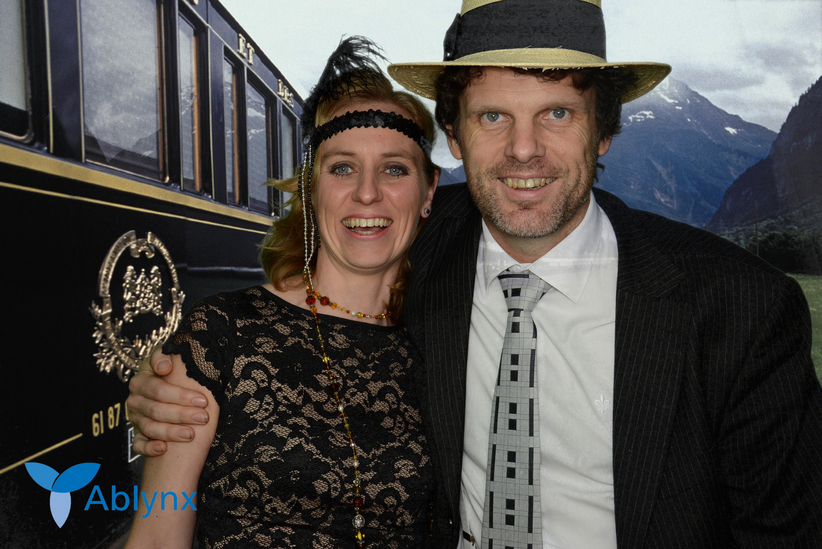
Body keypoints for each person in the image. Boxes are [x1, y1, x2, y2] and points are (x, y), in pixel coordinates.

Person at [128, 1, 822, 548]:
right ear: (456, 139)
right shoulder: (418, 248)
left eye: (557, 113)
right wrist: (174, 383)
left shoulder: (740, 309)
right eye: (493, 116)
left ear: (604, 131)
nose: (523, 150)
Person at [123, 37, 438, 549]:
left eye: (394, 169)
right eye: (342, 168)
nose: (367, 192)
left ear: (429, 191)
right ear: (311, 190)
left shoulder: (444, 343)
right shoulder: (219, 336)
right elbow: (158, 535)